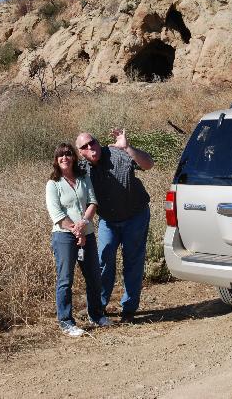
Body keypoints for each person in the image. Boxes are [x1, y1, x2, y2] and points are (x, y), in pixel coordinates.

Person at [75, 129, 154, 323]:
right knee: (103, 260)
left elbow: (149, 164)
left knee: (133, 261)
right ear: (80, 152)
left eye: (92, 142)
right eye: (84, 147)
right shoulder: (82, 169)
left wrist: (128, 147)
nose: (90, 148)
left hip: (135, 215)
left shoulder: (119, 152)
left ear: (97, 141)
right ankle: (98, 306)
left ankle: (129, 309)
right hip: (108, 220)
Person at [45, 142, 112, 337]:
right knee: (65, 280)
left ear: (74, 157)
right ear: (56, 160)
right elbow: (56, 214)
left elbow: (92, 201)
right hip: (64, 236)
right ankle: (66, 321)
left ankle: (96, 315)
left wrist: (83, 224)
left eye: (68, 154)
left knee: (93, 277)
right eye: (60, 155)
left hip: (87, 233)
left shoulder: (83, 178)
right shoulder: (53, 184)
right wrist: (76, 231)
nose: (64, 158)